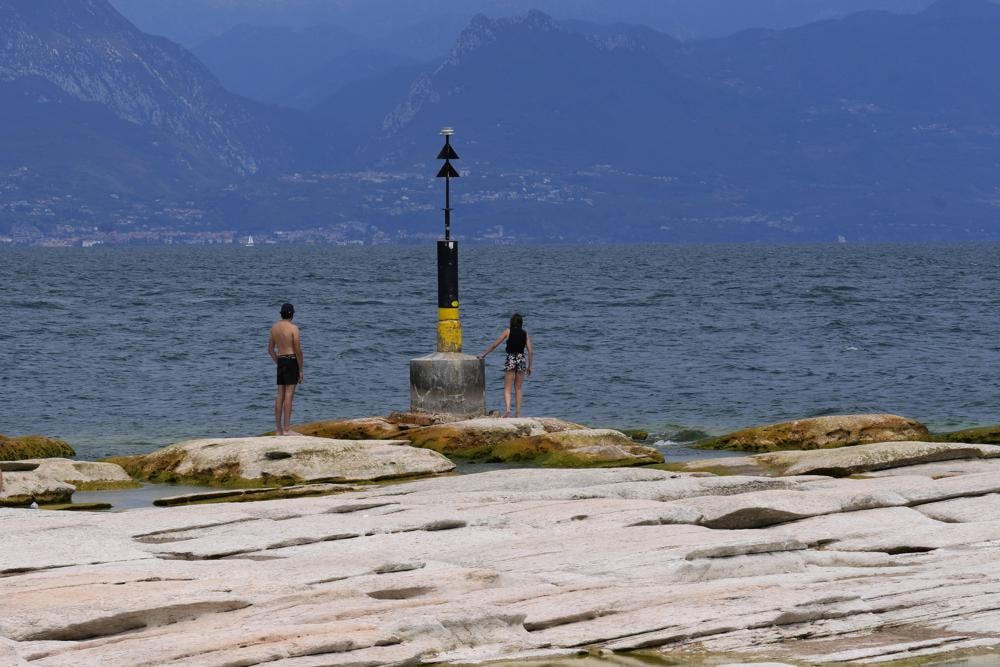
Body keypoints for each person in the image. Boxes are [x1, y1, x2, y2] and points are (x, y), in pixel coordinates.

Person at [478, 313, 533, 418]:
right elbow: (530, 351)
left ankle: (508, 409)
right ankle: (518, 414)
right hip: (521, 359)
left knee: (507, 387)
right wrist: (530, 366)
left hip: (511, 358)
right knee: (518, 388)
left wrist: (484, 354)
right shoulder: (525, 334)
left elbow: (495, 344)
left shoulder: (508, 331)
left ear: (511, 322)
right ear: (521, 323)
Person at [268, 302, 304, 435]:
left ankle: (278, 430)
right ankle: (287, 429)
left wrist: (278, 362)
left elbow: (270, 350)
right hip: (291, 360)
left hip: (281, 361)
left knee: (279, 395)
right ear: (292, 315)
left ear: (282, 314)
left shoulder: (274, 328)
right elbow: (298, 351)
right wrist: (300, 370)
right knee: (289, 394)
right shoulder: (294, 328)